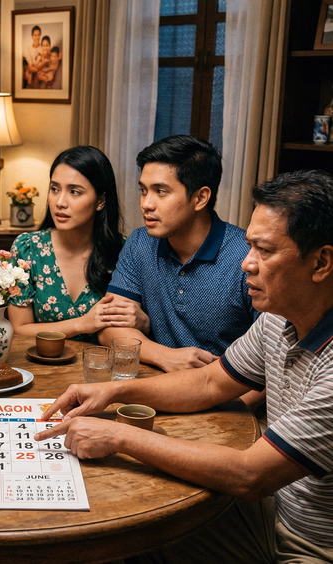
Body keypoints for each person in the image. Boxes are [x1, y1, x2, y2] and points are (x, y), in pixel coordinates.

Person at [36, 169, 333, 563]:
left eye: (265, 250)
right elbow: (210, 382)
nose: (246, 264)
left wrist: (121, 437)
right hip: (271, 512)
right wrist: (114, 390)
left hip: (307, 547)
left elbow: (250, 474)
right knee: (128, 542)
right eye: (249, 247)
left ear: (322, 262)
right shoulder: (278, 318)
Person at [99, 135, 257, 374]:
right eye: (143, 190)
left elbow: (272, 357)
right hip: (152, 389)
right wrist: (165, 356)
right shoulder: (141, 243)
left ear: (200, 198)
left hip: (224, 398)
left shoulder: (246, 257)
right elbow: (109, 328)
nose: (146, 204)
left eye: (161, 191)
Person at [9, 146, 149, 342]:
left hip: (101, 367)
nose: (60, 202)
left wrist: (144, 321)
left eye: (74, 192)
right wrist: (82, 324)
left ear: (100, 201)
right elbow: (19, 329)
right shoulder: (28, 248)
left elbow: (135, 323)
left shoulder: (123, 252)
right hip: (42, 365)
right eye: (54, 189)